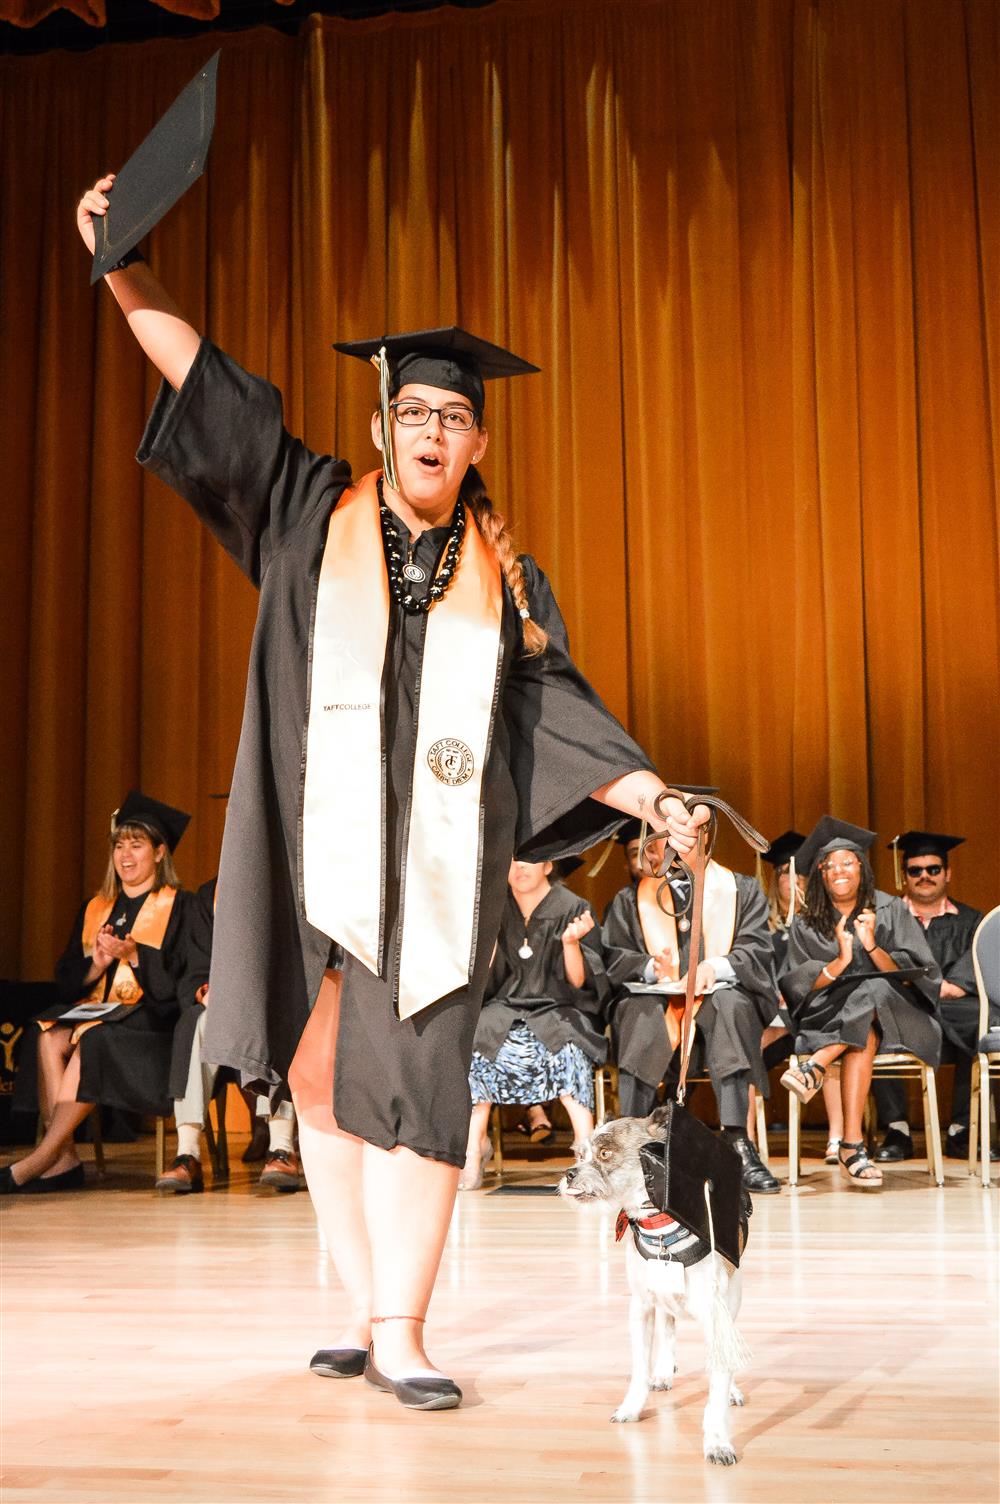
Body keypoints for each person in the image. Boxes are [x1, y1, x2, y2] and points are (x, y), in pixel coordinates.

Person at [75, 174, 709, 1409]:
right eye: (410, 409)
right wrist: (121, 267)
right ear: (382, 426)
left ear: (477, 442)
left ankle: (404, 1326)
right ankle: (367, 1310)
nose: (429, 430)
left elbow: (558, 712)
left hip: (429, 875)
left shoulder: (509, 585)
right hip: (310, 855)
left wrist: (655, 795)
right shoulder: (311, 512)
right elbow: (209, 393)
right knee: (313, 1078)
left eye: (451, 418)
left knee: (416, 1087)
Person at [0, 792, 189, 1193]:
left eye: (136, 845)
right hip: (99, 1015)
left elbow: (178, 985)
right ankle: (64, 1156)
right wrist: (98, 965)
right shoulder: (96, 907)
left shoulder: (180, 908)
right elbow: (66, 980)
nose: (125, 855)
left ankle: (41, 1159)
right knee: (48, 1032)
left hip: (153, 1027)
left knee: (95, 1039)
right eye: (119, 845)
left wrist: (136, 955)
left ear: (159, 853)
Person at [602, 835, 780, 1194]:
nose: (667, 852)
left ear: (703, 843)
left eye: (678, 842)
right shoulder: (632, 899)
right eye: (659, 846)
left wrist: (716, 966)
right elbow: (614, 959)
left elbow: (758, 948)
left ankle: (736, 1142)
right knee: (639, 1012)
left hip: (716, 1010)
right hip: (658, 1005)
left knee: (733, 1005)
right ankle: (635, 1143)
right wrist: (651, 966)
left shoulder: (739, 890)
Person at [779, 817, 942, 1189]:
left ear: (862, 867)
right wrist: (840, 958)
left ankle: (815, 1066)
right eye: (830, 864)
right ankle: (852, 1146)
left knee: (875, 990)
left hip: (900, 1018)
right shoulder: (807, 923)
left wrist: (870, 945)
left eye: (847, 862)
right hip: (836, 1018)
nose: (839, 870)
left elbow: (917, 974)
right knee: (862, 1023)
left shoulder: (890, 909)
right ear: (820, 872)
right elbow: (799, 987)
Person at [461, 858, 607, 1188]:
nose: (518, 867)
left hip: (556, 1007)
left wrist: (570, 943)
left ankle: (587, 1156)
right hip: (504, 1008)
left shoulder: (573, 907)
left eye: (528, 860)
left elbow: (579, 981)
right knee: (478, 1040)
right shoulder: (494, 905)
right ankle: (474, 1149)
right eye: (510, 860)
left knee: (570, 1048)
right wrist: (487, 939)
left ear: (548, 864)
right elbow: (487, 981)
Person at [156, 878, 302, 1194]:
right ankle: (187, 1153)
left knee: (268, 1018)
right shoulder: (206, 897)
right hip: (219, 1007)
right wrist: (204, 991)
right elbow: (194, 964)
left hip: (265, 1004)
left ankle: (282, 1148)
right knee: (196, 1022)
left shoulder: (281, 886)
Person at [872, 831, 991, 1163]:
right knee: (879, 1017)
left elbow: (979, 959)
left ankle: (962, 1131)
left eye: (933, 869)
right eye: (915, 870)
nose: (925, 876)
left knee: (981, 1020)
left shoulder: (971, 921)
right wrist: (931, 989)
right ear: (905, 876)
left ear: (947, 873)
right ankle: (897, 1131)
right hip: (907, 1012)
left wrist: (952, 985)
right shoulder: (888, 919)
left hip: (954, 1010)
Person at [760, 830, 843, 1163]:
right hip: (773, 1018)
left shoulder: (825, 929)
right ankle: (744, 1138)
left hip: (814, 1015)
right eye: (785, 872)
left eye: (802, 873)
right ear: (774, 879)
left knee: (831, 1030)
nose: (794, 880)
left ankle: (838, 1136)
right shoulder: (761, 930)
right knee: (747, 1037)